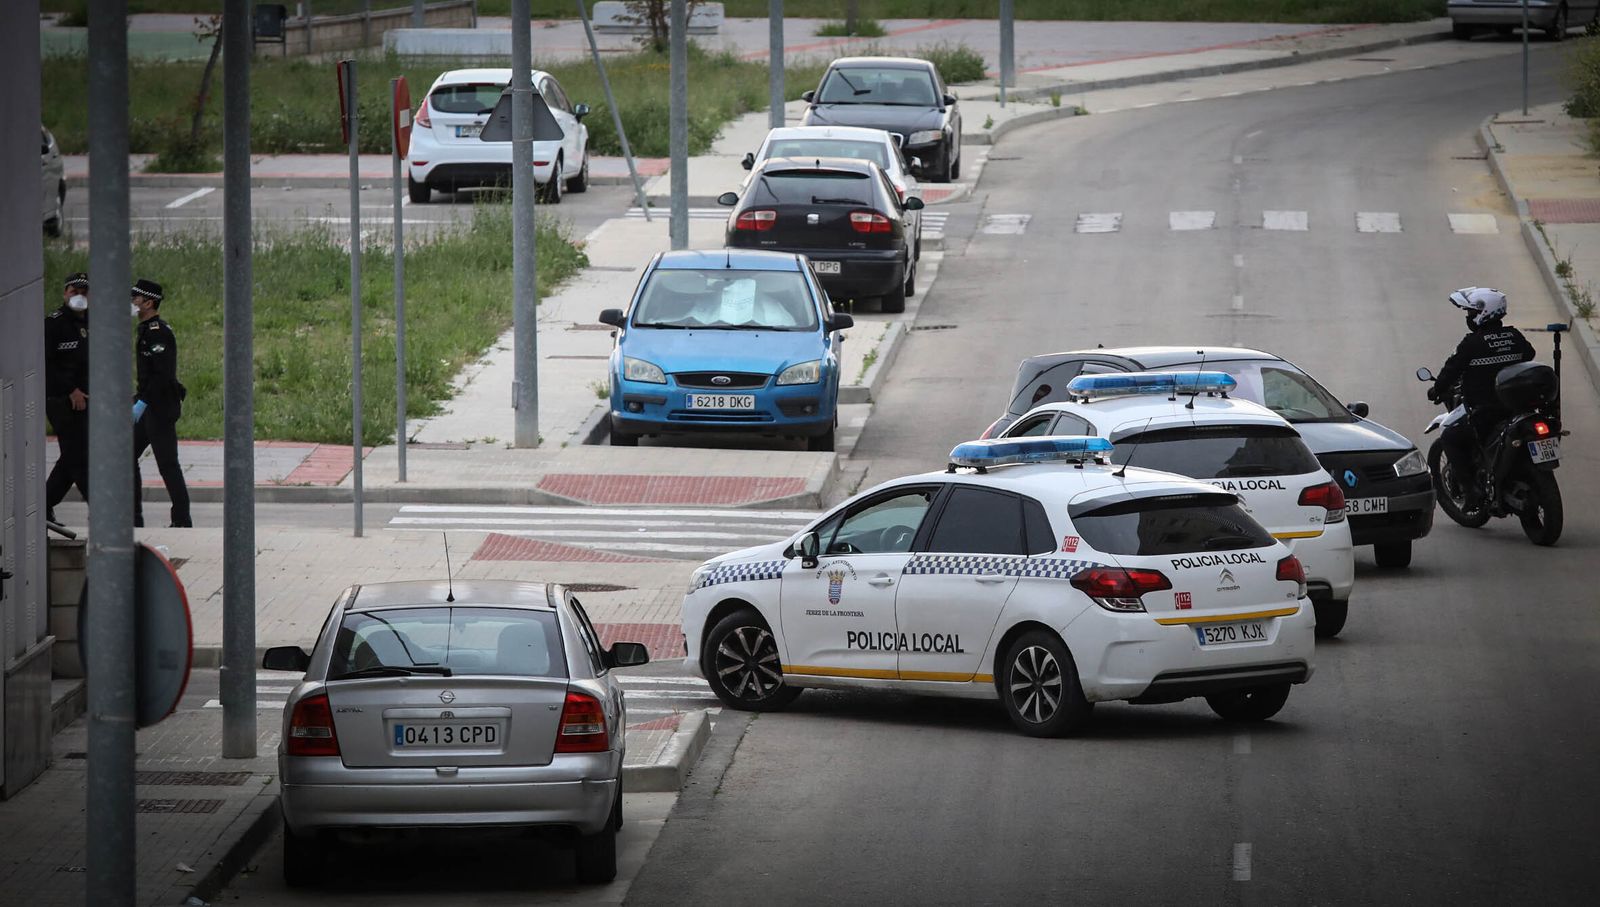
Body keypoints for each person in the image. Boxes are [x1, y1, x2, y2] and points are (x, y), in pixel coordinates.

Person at [1428, 286, 1535, 510]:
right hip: (1517, 409)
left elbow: (1452, 369)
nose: (1469, 317)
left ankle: (1472, 493)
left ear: (1483, 313)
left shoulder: (1472, 343)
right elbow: (1529, 354)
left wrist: (1436, 390)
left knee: (1450, 436)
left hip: (1486, 411)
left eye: (1471, 313)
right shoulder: (1515, 336)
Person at [130, 279, 191, 528]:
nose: (132, 302)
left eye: (135, 298)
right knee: (125, 457)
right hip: (146, 406)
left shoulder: (158, 332)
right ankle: (133, 517)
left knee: (167, 464)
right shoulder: (144, 329)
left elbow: (162, 374)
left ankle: (181, 520)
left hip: (159, 407)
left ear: (149, 302)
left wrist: (142, 402)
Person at [43, 272, 91, 523]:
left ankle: (44, 505)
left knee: (73, 456)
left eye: (84, 292)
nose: (79, 297)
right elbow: (46, 365)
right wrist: (70, 389)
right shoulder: (54, 324)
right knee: (78, 456)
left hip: (87, 400)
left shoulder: (92, 323)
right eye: (75, 291)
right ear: (65, 293)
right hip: (61, 400)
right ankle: (100, 507)